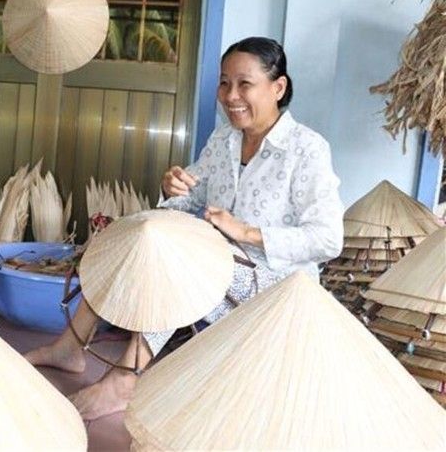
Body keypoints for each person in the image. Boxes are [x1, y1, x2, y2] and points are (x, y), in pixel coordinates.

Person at [25, 37, 344, 420]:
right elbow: (187, 201)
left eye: (245, 84)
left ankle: (126, 379)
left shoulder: (306, 149)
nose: (231, 96)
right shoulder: (224, 138)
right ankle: (70, 347)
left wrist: (246, 232)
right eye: (224, 83)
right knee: (137, 232)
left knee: (181, 259)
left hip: (278, 282)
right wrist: (171, 187)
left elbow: (328, 239)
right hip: (220, 264)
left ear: (278, 87)